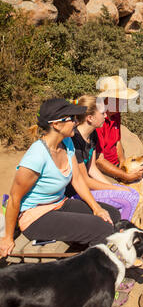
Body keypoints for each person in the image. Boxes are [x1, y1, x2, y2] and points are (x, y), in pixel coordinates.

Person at [0, 98, 121, 260]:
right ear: (56, 125)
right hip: (35, 216)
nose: (75, 122)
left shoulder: (67, 142)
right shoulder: (36, 157)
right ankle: (93, 275)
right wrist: (7, 237)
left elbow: (77, 180)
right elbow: (15, 198)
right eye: (71, 118)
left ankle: (87, 254)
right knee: (102, 227)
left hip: (59, 203)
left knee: (112, 214)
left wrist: (96, 208)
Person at [66, 95, 140, 221]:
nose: (105, 116)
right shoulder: (75, 141)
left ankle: (119, 226)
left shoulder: (92, 134)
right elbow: (85, 180)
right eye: (102, 113)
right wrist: (114, 188)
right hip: (75, 193)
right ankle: (121, 231)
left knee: (133, 193)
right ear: (90, 118)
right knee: (129, 198)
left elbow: (92, 168)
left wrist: (115, 187)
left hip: (85, 186)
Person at [95, 76, 143, 205]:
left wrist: (124, 166)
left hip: (117, 168)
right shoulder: (96, 120)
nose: (124, 102)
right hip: (102, 171)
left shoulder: (115, 114)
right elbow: (99, 161)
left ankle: (130, 217)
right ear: (106, 99)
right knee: (126, 197)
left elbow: (117, 142)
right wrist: (125, 176)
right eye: (120, 99)